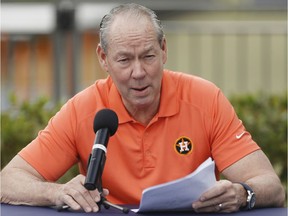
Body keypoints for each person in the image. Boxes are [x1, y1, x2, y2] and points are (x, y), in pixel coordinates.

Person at [1, 3, 285, 214]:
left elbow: (270, 185)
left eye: (148, 56)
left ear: (163, 50)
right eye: (124, 60)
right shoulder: (83, 109)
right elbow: (8, 181)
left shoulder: (205, 99)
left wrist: (241, 193)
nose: (138, 72)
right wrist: (58, 192)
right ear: (104, 58)